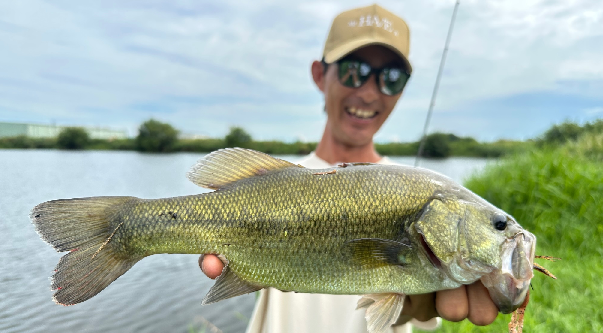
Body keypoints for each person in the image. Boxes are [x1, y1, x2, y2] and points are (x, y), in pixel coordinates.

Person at [200, 4, 499, 332]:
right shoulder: (269, 181)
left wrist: (415, 306)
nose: (370, 92)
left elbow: (419, 312)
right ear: (318, 74)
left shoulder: (421, 194)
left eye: (391, 78)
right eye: (353, 70)